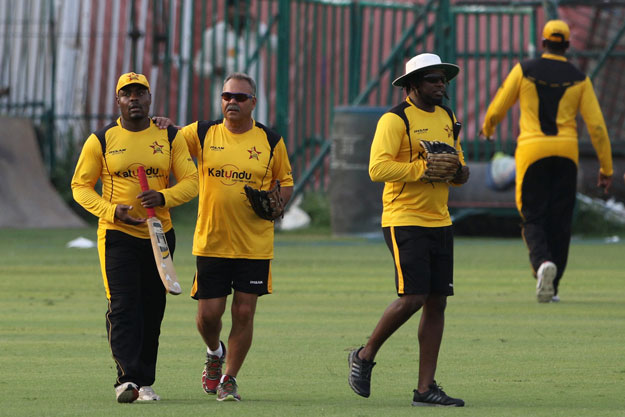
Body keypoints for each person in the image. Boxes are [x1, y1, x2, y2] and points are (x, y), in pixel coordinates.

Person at [159, 72, 293, 401]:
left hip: (254, 244)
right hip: (212, 240)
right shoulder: (204, 132)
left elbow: (285, 182)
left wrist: (279, 202)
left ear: (254, 103)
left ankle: (229, 378)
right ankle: (214, 352)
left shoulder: (270, 140)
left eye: (240, 97)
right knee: (208, 316)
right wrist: (161, 124)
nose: (231, 102)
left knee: (244, 313)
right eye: (226, 96)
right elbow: (171, 139)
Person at [347, 53, 469, 407]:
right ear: (413, 84)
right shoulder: (395, 119)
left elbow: (456, 161)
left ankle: (425, 388)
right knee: (413, 297)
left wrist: (460, 173)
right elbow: (377, 168)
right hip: (403, 217)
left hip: (440, 218)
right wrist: (421, 169)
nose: (441, 84)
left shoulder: (448, 117)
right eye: (432, 79)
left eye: (443, 78)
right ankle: (364, 355)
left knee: (437, 302)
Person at [71, 72, 198, 403]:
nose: (134, 99)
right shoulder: (101, 140)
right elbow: (80, 187)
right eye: (127, 94)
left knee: (152, 308)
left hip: (160, 236)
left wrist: (163, 197)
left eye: (140, 93)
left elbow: (192, 180)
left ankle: (145, 382)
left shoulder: (170, 136)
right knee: (124, 305)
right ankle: (127, 379)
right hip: (118, 235)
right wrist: (113, 211)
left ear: (149, 98)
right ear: (118, 101)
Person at [480, 20, 613, 303]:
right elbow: (598, 127)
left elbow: (500, 103)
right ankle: (554, 287)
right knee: (560, 220)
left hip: (532, 152)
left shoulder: (524, 69)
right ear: (567, 45)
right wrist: (606, 168)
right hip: (566, 153)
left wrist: (488, 128)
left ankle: (541, 264)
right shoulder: (579, 78)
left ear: (543, 43)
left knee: (532, 215)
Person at [194, 0, 277, 126]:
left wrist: (259, 30)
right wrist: (213, 70)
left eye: (245, 9)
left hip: (253, 99)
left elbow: (275, 47)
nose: (242, 13)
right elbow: (198, 65)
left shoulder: (256, 30)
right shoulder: (214, 34)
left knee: (255, 137)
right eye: (238, 8)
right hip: (226, 98)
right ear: (229, 9)